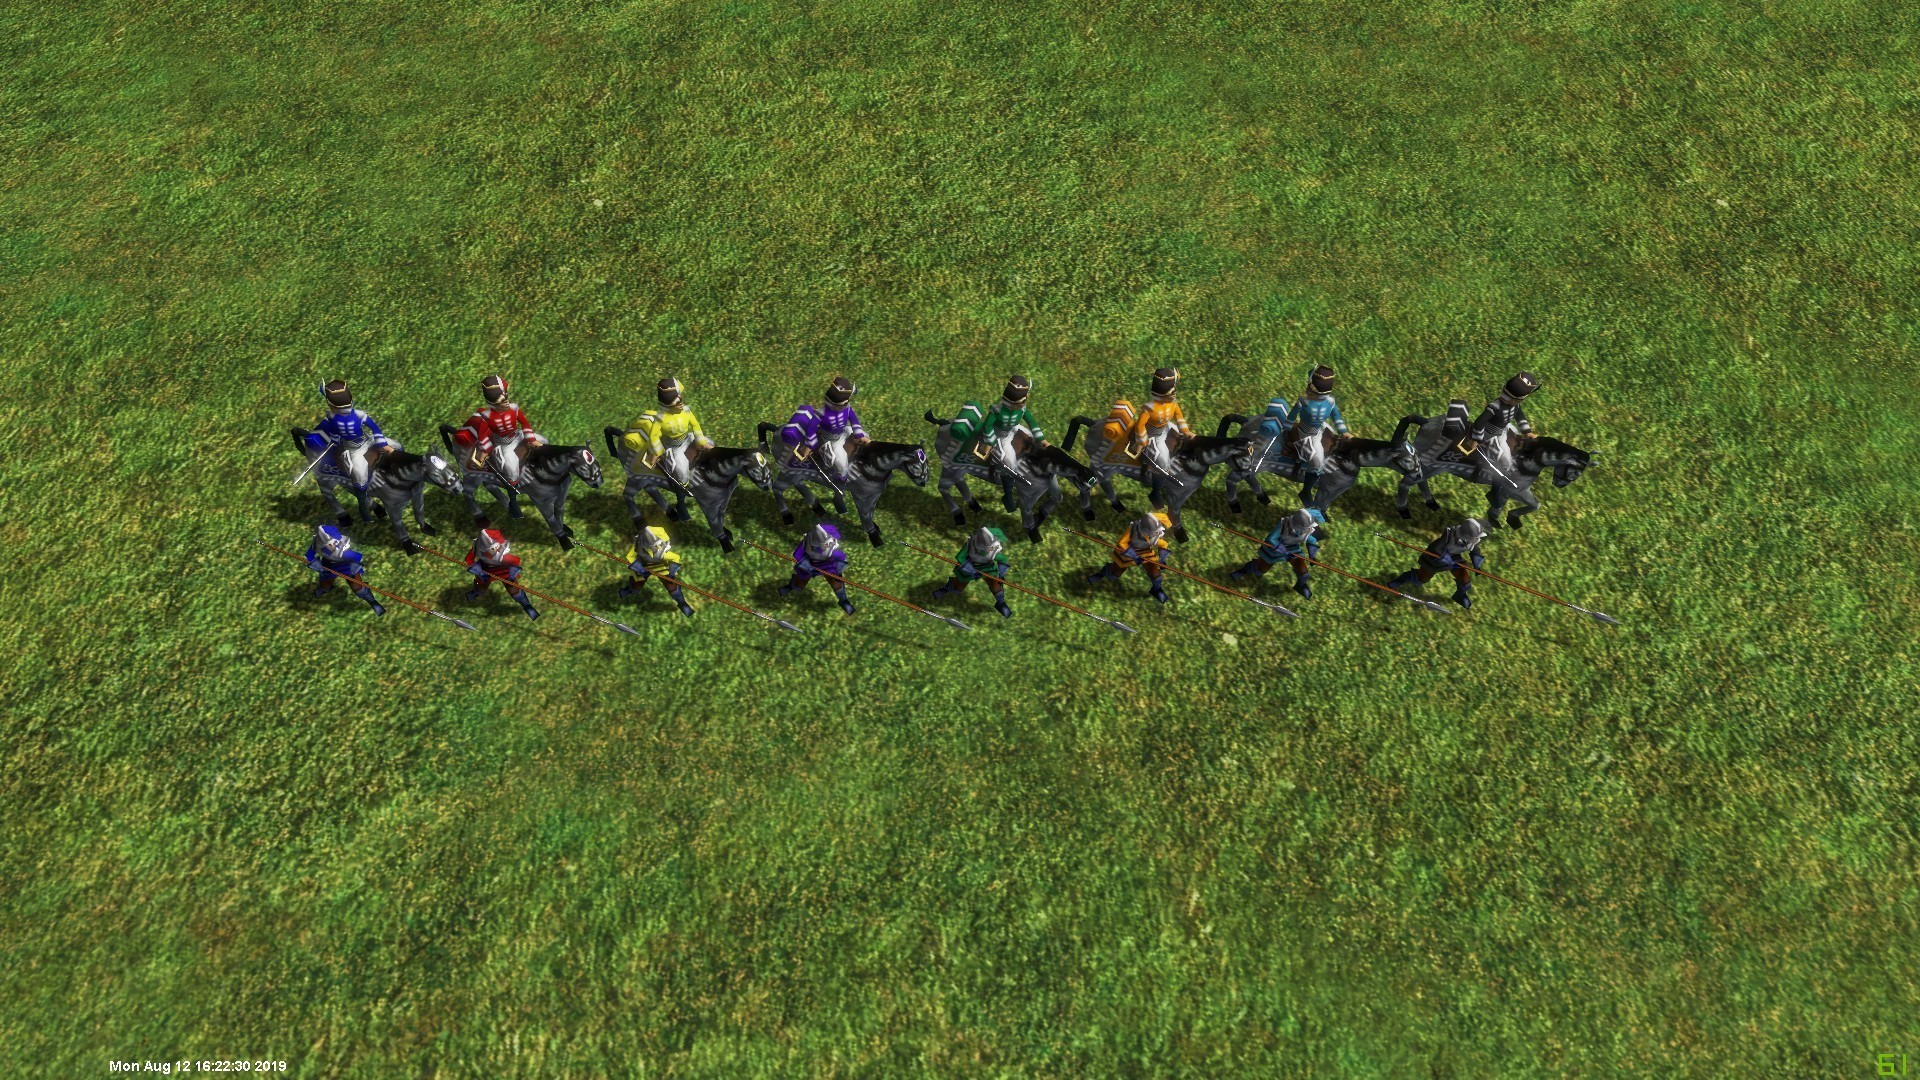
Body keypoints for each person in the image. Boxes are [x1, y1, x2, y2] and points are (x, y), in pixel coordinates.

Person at [452, 375, 544, 484]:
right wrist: (484, 452)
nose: (507, 402)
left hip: (518, 435)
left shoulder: (514, 408)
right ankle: (517, 482)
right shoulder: (487, 416)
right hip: (505, 445)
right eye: (502, 401)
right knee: (512, 472)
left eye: (506, 398)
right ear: (493, 404)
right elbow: (482, 435)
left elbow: (524, 423)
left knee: (544, 441)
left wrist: (531, 439)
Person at [624, 378, 713, 488]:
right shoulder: (660, 418)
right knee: (682, 473)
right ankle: (683, 486)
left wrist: (701, 442)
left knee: (710, 444)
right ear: (667, 406)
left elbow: (695, 425)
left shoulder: (686, 411)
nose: (681, 404)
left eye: (680, 400)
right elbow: (654, 436)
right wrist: (657, 452)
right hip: (674, 448)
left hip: (687, 439)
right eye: (677, 403)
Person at [311, 380, 397, 490]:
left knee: (396, 446)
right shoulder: (335, 418)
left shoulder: (358, 415)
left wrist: (382, 444)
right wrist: (335, 442)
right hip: (354, 450)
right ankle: (362, 497)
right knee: (360, 480)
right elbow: (334, 433)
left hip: (368, 440)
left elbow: (374, 428)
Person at [1386, 518, 1488, 609]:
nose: (1476, 539)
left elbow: (1475, 550)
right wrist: (1448, 560)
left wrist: (1477, 566)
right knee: (1420, 579)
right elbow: (1437, 548)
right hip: (1434, 558)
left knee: (1465, 580)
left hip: (1454, 558)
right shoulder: (1449, 535)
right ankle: (1401, 579)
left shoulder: (1471, 541)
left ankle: (1459, 596)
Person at [1127, 367, 1194, 503]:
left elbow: (1179, 417)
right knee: (1163, 463)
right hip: (1154, 436)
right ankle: (1155, 491)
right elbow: (1140, 425)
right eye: (1172, 392)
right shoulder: (1150, 408)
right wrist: (1143, 441)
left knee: (1183, 442)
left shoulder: (1173, 404)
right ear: (1162, 394)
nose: (1174, 394)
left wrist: (1185, 431)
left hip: (1166, 427)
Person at [1228, 507, 1325, 599]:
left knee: (1303, 571)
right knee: (1260, 569)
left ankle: (1301, 586)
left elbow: (1311, 540)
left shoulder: (1305, 529)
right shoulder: (1284, 524)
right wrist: (1285, 552)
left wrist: (1312, 556)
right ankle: (1243, 571)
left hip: (1292, 548)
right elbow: (1271, 539)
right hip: (1274, 548)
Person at [1286, 365, 1348, 500]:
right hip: (1306, 434)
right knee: (1317, 464)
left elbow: (1336, 417)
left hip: (1319, 431)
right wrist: (1286, 427)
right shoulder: (1303, 402)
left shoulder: (1330, 402)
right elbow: (1291, 416)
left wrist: (1344, 432)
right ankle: (1306, 492)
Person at [1086, 511, 1174, 604]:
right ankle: (1102, 573)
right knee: (1115, 573)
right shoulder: (1133, 529)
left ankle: (1156, 589)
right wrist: (1134, 556)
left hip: (1145, 552)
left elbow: (1162, 544)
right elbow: (1122, 543)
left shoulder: (1153, 532)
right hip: (1128, 552)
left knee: (1155, 573)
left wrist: (1162, 559)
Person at [1466, 372, 1540, 478]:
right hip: (1489, 434)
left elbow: (1520, 417)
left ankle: (1511, 465)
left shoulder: (1516, 406)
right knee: (1504, 458)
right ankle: (1502, 474)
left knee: (1512, 439)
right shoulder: (1495, 407)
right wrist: (1475, 440)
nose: (1506, 398)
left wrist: (1527, 432)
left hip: (1502, 431)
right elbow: (1479, 422)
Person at [462, 518, 538, 619]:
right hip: (486, 570)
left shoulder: (498, 541)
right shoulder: (478, 544)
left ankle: (527, 606)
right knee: (481, 588)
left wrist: (511, 572)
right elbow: (469, 559)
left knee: (513, 588)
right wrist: (478, 571)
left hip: (503, 569)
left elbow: (512, 559)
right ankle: (475, 592)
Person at [931, 526, 1013, 618]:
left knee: (995, 586)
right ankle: (947, 587)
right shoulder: (970, 544)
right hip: (970, 566)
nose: (989, 550)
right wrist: (971, 570)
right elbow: (960, 557)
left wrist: (1001, 574)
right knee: (958, 587)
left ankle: (1001, 603)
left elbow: (1002, 559)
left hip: (987, 567)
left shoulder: (992, 547)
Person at [303, 524, 385, 614]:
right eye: (330, 544)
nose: (333, 545)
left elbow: (357, 556)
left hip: (345, 564)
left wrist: (353, 569)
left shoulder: (343, 548)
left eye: (334, 542)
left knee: (357, 586)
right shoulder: (317, 543)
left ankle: (372, 601)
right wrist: (317, 566)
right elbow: (309, 555)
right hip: (328, 565)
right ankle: (324, 588)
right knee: (325, 582)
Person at [619, 526, 695, 617]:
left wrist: (672, 572)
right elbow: (630, 557)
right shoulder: (638, 544)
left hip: (660, 565)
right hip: (644, 566)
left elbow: (675, 558)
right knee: (637, 582)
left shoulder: (661, 541)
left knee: (671, 584)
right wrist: (639, 569)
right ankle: (630, 589)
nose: (654, 548)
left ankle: (682, 602)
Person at [779, 523, 855, 614]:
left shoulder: (831, 543)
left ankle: (843, 599)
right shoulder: (807, 542)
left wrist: (838, 567)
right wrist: (806, 566)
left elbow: (839, 556)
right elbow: (798, 554)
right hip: (810, 564)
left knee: (836, 581)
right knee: (800, 582)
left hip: (827, 564)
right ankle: (792, 586)